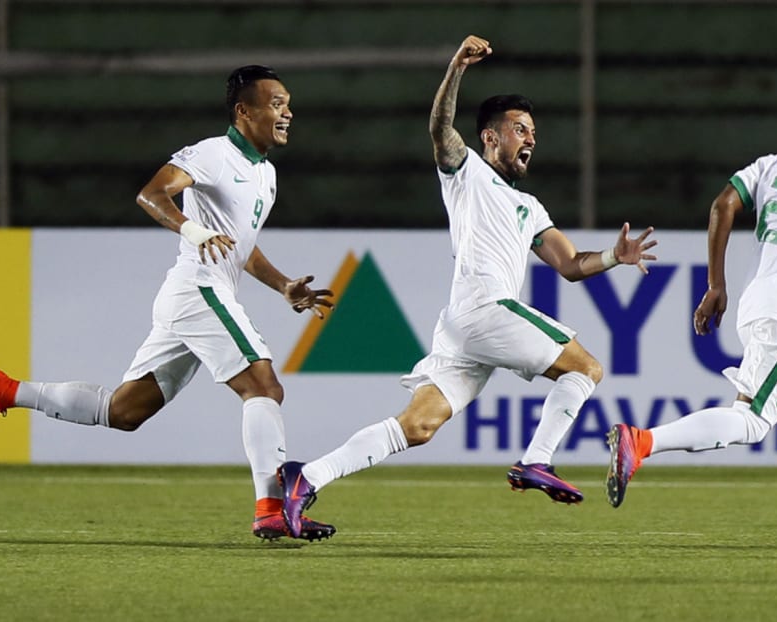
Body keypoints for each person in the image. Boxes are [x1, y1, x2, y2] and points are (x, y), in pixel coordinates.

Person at [276, 35, 657, 537]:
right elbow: (439, 128)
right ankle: (536, 460)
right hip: (486, 307)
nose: (531, 138)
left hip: (464, 326)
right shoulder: (467, 171)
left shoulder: (530, 207)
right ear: (490, 137)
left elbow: (569, 264)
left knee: (418, 426)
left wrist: (613, 257)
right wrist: (456, 67)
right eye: (519, 129)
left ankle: (306, 478)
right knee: (586, 368)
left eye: (534, 131)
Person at [0, 65, 337, 541]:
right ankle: (271, 509)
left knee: (124, 412)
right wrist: (193, 229)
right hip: (198, 289)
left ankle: (6, 390)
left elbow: (241, 247)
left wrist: (283, 285)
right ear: (244, 111)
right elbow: (151, 194)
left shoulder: (265, 174)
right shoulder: (213, 153)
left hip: (194, 296)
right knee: (263, 387)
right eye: (275, 104)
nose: (287, 112)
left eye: (288, 104)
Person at [606, 151, 777, 508]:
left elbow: (723, 204)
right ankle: (641, 442)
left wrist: (716, 285)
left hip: (763, 299)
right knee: (751, 421)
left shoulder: (774, 164)